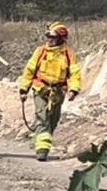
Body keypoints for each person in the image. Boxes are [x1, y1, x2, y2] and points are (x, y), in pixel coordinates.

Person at [18, 21, 81, 161]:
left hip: (58, 91)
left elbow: (74, 74)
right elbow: (29, 71)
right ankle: (42, 150)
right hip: (40, 88)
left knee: (53, 120)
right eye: (48, 36)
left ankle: (38, 139)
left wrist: (74, 90)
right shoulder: (41, 51)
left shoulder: (68, 54)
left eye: (53, 37)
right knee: (42, 117)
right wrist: (24, 89)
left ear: (60, 38)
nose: (49, 40)